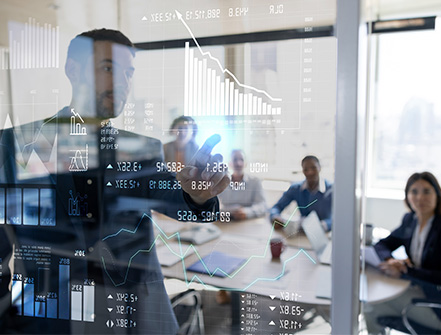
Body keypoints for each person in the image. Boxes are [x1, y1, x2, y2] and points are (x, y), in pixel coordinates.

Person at [0, 29, 229, 334]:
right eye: (108, 68)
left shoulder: (142, 149)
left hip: (134, 312)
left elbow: (181, 203)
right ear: (73, 70)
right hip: (52, 317)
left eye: (128, 72)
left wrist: (198, 196)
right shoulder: (14, 146)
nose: (122, 82)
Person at [364, 172, 441, 333]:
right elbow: (383, 244)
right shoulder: (410, 220)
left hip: (435, 302)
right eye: (414, 191)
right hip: (417, 288)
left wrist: (406, 271)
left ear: (437, 194)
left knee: (370, 305)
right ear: (407, 196)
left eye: (426, 191)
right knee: (370, 304)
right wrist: (390, 260)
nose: (420, 198)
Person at [269, 155, 332, 231]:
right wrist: (275, 216)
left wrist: (324, 225)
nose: (310, 172)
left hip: (324, 233)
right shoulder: (296, 188)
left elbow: (339, 218)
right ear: (302, 171)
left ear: (320, 168)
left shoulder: (331, 189)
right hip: (301, 233)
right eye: (306, 169)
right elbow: (276, 207)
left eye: (313, 168)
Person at [218, 149, 266, 220]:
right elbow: (214, 208)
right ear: (230, 163)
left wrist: (247, 212)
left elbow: (262, 206)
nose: (238, 163)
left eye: (241, 160)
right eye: (235, 160)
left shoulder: (255, 182)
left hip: (248, 222)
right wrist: (231, 211)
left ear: (245, 163)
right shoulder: (221, 182)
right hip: (226, 222)